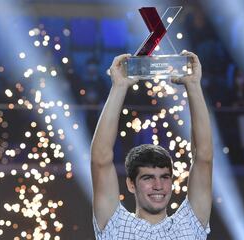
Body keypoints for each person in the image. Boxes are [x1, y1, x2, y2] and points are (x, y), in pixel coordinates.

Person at [90, 50, 213, 239]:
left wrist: (194, 85)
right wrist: (119, 87)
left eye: (164, 177)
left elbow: (203, 157)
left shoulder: (188, 224)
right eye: (148, 178)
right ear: (131, 184)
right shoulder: (115, 225)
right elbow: (100, 160)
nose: (158, 185)